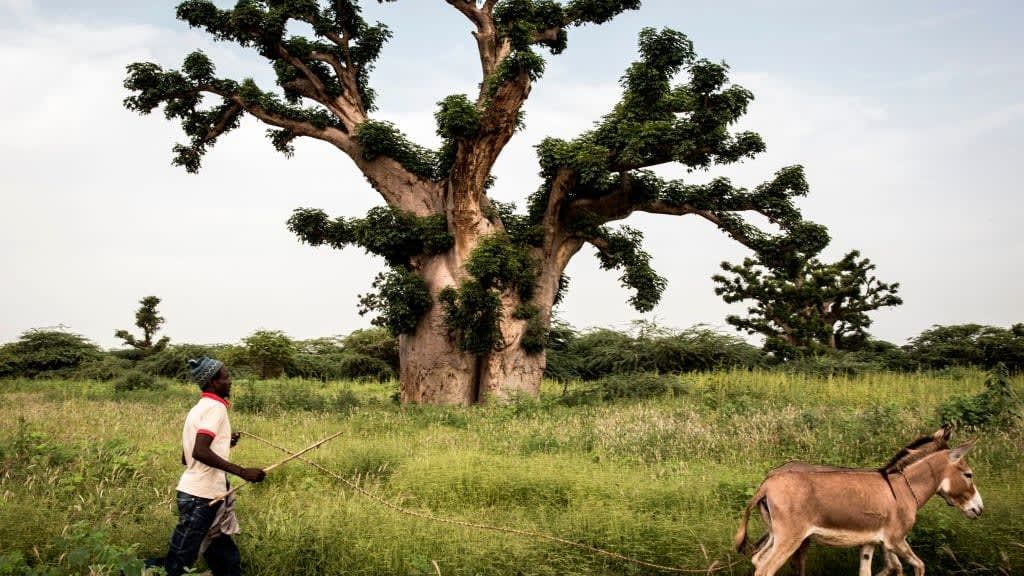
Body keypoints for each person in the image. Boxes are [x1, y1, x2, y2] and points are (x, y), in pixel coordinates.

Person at [155, 356, 266, 576]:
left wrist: (224, 443)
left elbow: (187, 458)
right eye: (227, 377)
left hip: (206, 494)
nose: (230, 381)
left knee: (223, 554)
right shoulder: (216, 408)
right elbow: (199, 452)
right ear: (214, 382)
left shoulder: (198, 408)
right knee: (179, 560)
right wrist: (242, 472)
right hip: (201, 497)